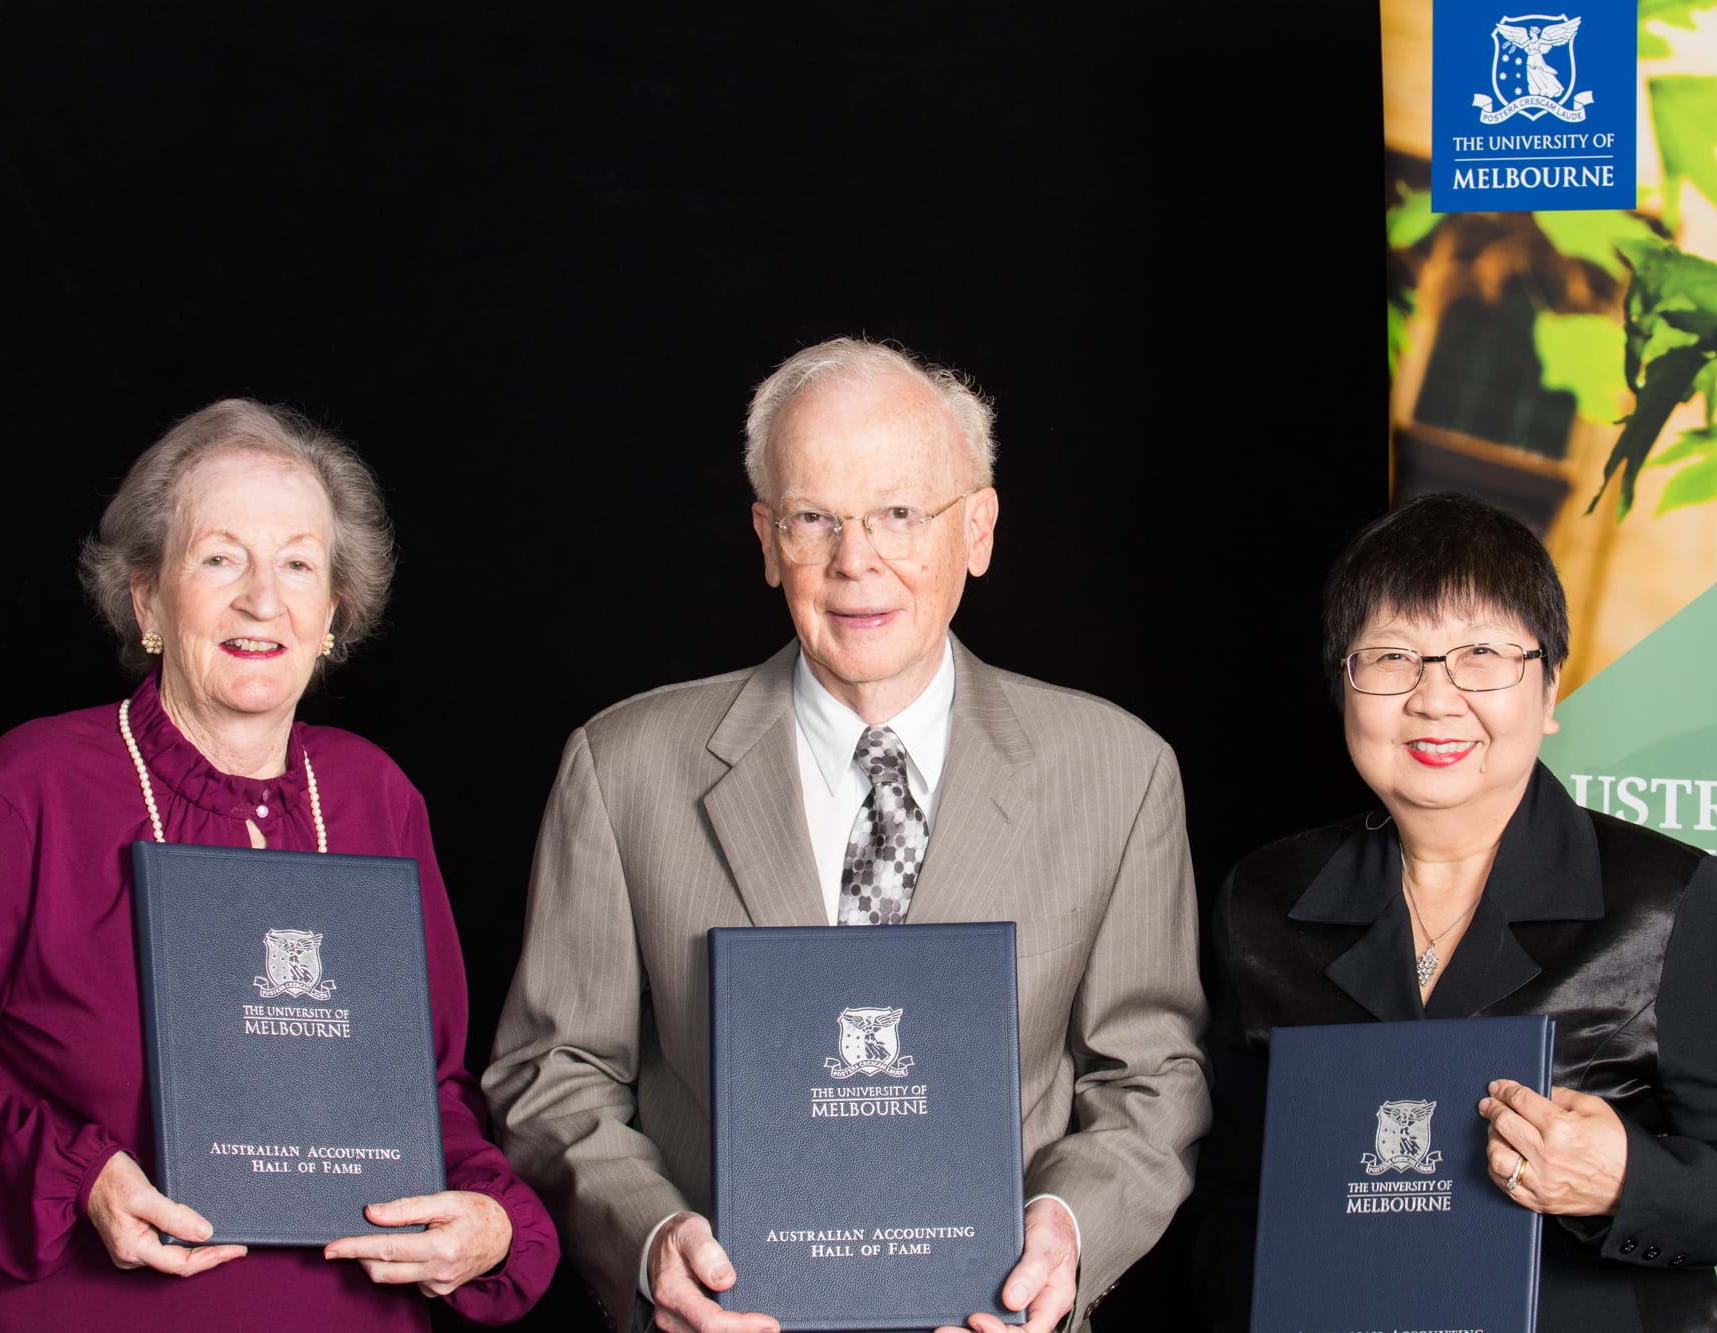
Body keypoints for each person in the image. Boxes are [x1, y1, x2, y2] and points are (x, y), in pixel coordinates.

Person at [483, 337, 1210, 1333]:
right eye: (813, 517)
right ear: (764, 536)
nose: (853, 559)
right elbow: (553, 1072)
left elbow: (1152, 1075)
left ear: (979, 528)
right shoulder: (623, 769)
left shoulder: (1119, 773)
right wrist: (652, 1240)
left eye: (899, 514)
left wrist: (1068, 1228)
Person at [0, 400, 558, 1328]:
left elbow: (432, 1093)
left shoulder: (377, 799)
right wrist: (77, 1178)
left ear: (332, 612)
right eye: (220, 557)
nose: (262, 599)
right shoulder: (29, 789)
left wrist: (489, 1222)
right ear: (147, 596)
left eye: (297, 563)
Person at [1193, 492, 1717, 1329]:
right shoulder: (1263, 901)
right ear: (1343, 686)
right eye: (1391, 657)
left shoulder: (1663, 897)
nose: (1434, 697)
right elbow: (1232, 1192)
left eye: (1481, 654)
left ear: (1550, 686)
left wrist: (1626, 1180)